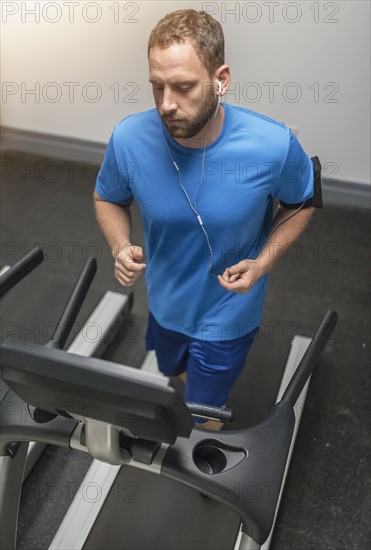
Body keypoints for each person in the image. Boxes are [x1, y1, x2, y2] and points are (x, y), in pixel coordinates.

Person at [94, 9, 315, 431]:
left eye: (183, 87)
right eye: (156, 87)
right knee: (174, 371)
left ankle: (200, 462)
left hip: (229, 313)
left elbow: (301, 203)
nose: (166, 104)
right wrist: (120, 245)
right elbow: (108, 196)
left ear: (221, 79)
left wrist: (264, 262)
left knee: (202, 413)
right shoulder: (128, 138)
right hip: (163, 302)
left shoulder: (272, 146)